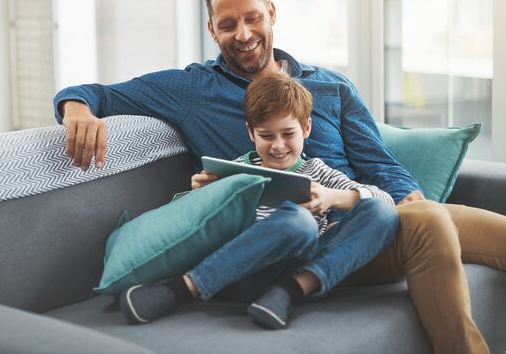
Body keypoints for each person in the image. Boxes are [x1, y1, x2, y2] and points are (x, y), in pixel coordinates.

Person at [54, 0, 506, 354]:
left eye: (252, 18)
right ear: (212, 29)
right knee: (429, 224)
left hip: (361, 216)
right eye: (227, 25)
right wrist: (76, 108)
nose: (243, 34)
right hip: (297, 236)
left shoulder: (329, 85)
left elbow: (377, 161)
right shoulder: (193, 91)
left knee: (498, 230)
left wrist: (409, 197)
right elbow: (94, 92)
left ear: (270, 12)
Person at [118, 73, 399, 329]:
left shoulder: (317, 172)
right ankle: (183, 288)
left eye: (288, 134)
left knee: (382, 212)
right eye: (266, 135)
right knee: (299, 222)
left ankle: (290, 291)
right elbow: (185, 220)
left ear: (306, 128)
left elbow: (384, 199)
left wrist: (331, 197)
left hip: (302, 272)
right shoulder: (233, 170)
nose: (278, 146)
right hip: (243, 270)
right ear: (251, 132)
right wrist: (200, 194)